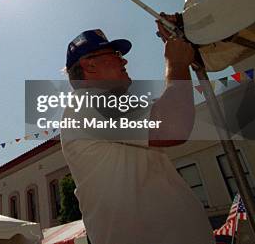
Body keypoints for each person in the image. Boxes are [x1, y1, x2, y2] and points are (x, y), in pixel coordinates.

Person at [60, 18, 215, 244]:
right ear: (89, 65)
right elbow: (172, 126)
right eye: (113, 53)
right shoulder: (86, 102)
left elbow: (171, 110)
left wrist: (176, 38)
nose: (123, 59)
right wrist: (176, 63)